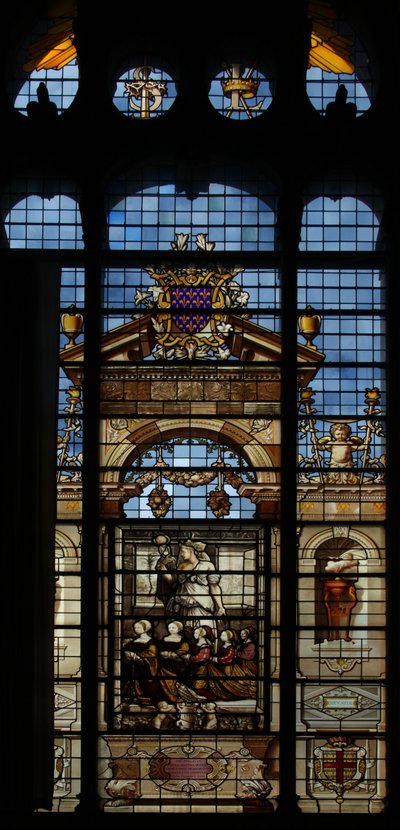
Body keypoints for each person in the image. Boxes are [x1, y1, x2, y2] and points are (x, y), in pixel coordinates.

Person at [164, 539, 226, 636]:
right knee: (187, 634)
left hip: (202, 607)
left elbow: (214, 586)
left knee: (203, 633)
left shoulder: (207, 565)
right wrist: (162, 565)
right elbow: (171, 580)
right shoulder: (181, 566)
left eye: (183, 551)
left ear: (191, 551)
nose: (181, 554)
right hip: (185, 607)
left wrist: (220, 606)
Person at [122, 619, 158, 705]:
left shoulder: (151, 641)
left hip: (143, 667)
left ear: (146, 628)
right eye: (135, 627)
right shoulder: (133, 641)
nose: (136, 629)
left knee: (139, 677)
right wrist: (126, 652)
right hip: (131, 665)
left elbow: (151, 654)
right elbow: (125, 651)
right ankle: (128, 696)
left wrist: (136, 656)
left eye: (138, 627)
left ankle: (140, 697)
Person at [157, 620, 190, 703]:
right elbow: (159, 649)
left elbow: (183, 650)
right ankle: (166, 696)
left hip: (177, 663)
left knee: (177, 679)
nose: (171, 629)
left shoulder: (183, 639)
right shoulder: (164, 638)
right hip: (165, 663)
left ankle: (177, 695)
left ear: (179, 629)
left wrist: (171, 654)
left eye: (173, 627)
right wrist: (162, 653)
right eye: (169, 628)